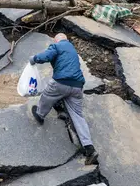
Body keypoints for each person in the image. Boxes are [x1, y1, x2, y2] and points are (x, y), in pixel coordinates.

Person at [29, 33, 99, 164]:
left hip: (61, 82)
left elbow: (46, 56)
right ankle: (89, 148)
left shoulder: (57, 46)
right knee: (78, 116)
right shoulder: (72, 49)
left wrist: (34, 59)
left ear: (56, 40)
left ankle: (40, 114)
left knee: (47, 95)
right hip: (77, 86)